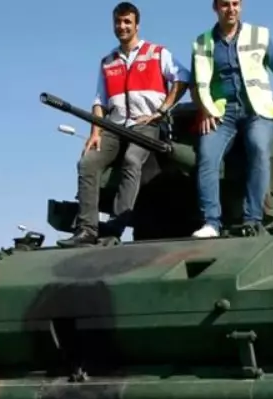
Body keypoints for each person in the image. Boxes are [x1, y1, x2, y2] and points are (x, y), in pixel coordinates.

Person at [58, 2, 190, 247]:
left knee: (131, 160)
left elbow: (182, 78)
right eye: (118, 22)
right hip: (115, 126)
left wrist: (161, 111)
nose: (122, 26)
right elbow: (100, 101)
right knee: (87, 162)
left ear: (136, 25)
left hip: (146, 126)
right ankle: (87, 229)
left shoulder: (156, 52)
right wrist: (95, 132)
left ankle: (116, 226)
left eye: (127, 22)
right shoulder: (108, 62)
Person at [191, 0, 273, 238]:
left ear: (242, 6)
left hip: (256, 111)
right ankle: (211, 222)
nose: (231, 9)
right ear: (215, 8)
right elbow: (196, 84)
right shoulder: (202, 42)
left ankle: (252, 219)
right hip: (221, 113)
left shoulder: (258, 35)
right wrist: (204, 110)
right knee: (207, 156)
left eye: (236, 3)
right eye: (225, 4)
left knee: (259, 148)